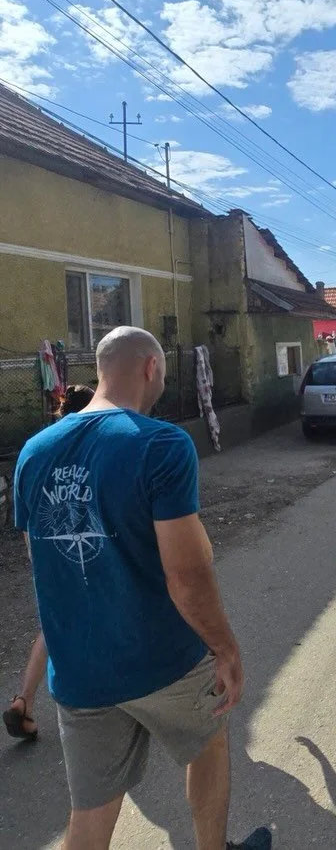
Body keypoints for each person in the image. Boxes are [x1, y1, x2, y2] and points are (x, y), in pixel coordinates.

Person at [13, 327, 269, 850]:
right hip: (163, 660)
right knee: (209, 743)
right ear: (151, 367)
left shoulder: (32, 453)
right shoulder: (161, 443)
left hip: (79, 671)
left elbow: (42, 564)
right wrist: (225, 648)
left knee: (90, 813)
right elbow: (187, 575)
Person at [4, 385, 96, 742]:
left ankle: (23, 700)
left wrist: (34, 554)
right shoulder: (92, 447)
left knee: (53, 624)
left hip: (46, 551)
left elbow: (23, 513)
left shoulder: (38, 448)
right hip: (87, 550)